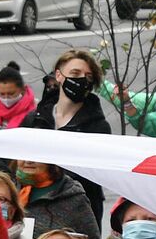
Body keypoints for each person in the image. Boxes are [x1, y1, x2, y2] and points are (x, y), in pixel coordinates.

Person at [26, 51, 111, 223]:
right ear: (59, 75)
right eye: (75, 74)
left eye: (88, 76)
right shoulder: (35, 119)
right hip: (35, 209)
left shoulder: (98, 127)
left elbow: (93, 173)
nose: (81, 80)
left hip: (79, 213)